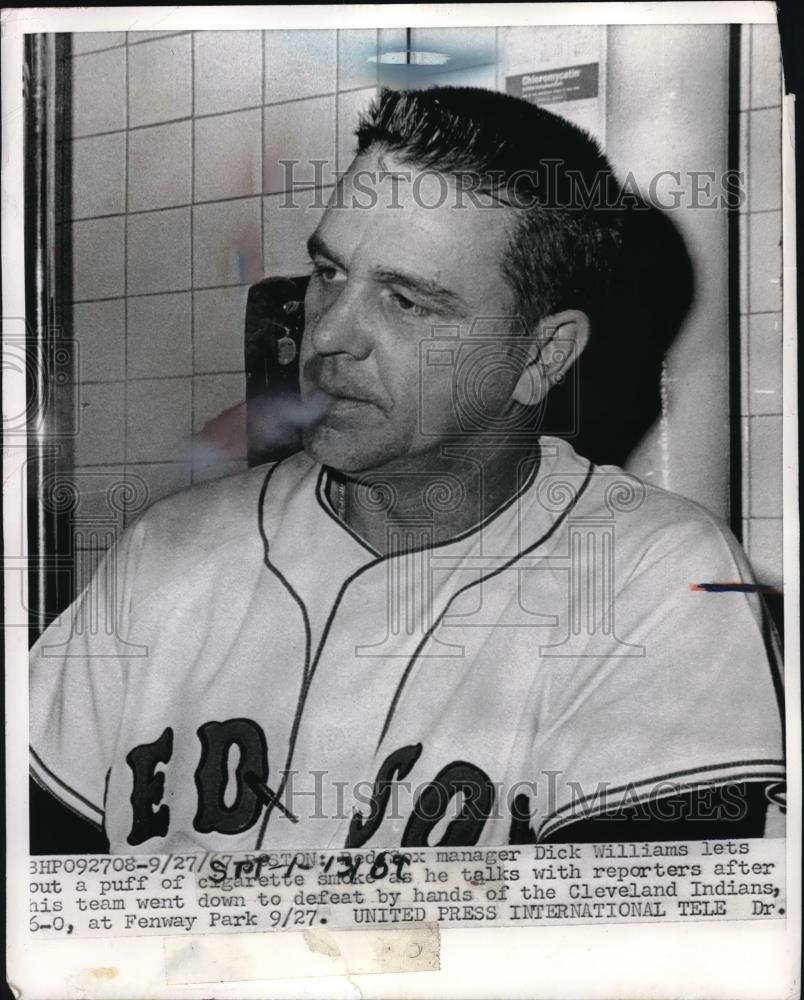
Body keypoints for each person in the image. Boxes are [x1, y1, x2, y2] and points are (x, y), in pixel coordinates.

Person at [29, 86, 785, 854]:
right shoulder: (168, 549)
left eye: (406, 302)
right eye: (329, 273)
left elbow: (626, 960)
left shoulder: (651, 578)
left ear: (539, 356)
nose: (328, 335)